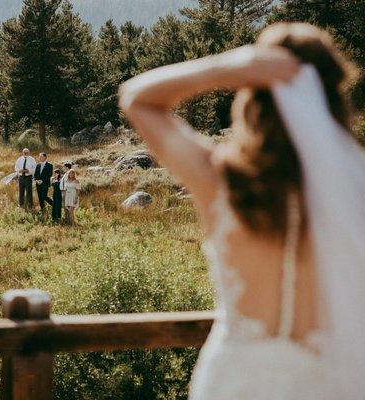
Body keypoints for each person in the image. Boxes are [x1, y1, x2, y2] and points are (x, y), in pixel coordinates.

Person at [119, 22, 365, 399]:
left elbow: (137, 98)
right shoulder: (355, 191)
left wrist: (231, 66)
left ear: (252, 96)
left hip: (237, 382)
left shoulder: (223, 182)